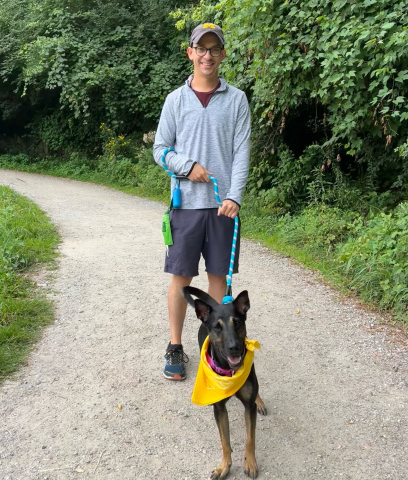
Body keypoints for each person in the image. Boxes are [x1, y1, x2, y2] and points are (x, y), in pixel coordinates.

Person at [153, 23, 251, 380]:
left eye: (215, 49)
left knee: (218, 285)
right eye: (201, 48)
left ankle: (216, 351)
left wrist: (234, 196)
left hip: (223, 208)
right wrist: (187, 166)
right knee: (181, 280)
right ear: (190, 53)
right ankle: (176, 347)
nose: (208, 55)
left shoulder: (237, 100)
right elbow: (160, 150)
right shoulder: (175, 101)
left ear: (222, 55)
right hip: (185, 207)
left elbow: (241, 153)